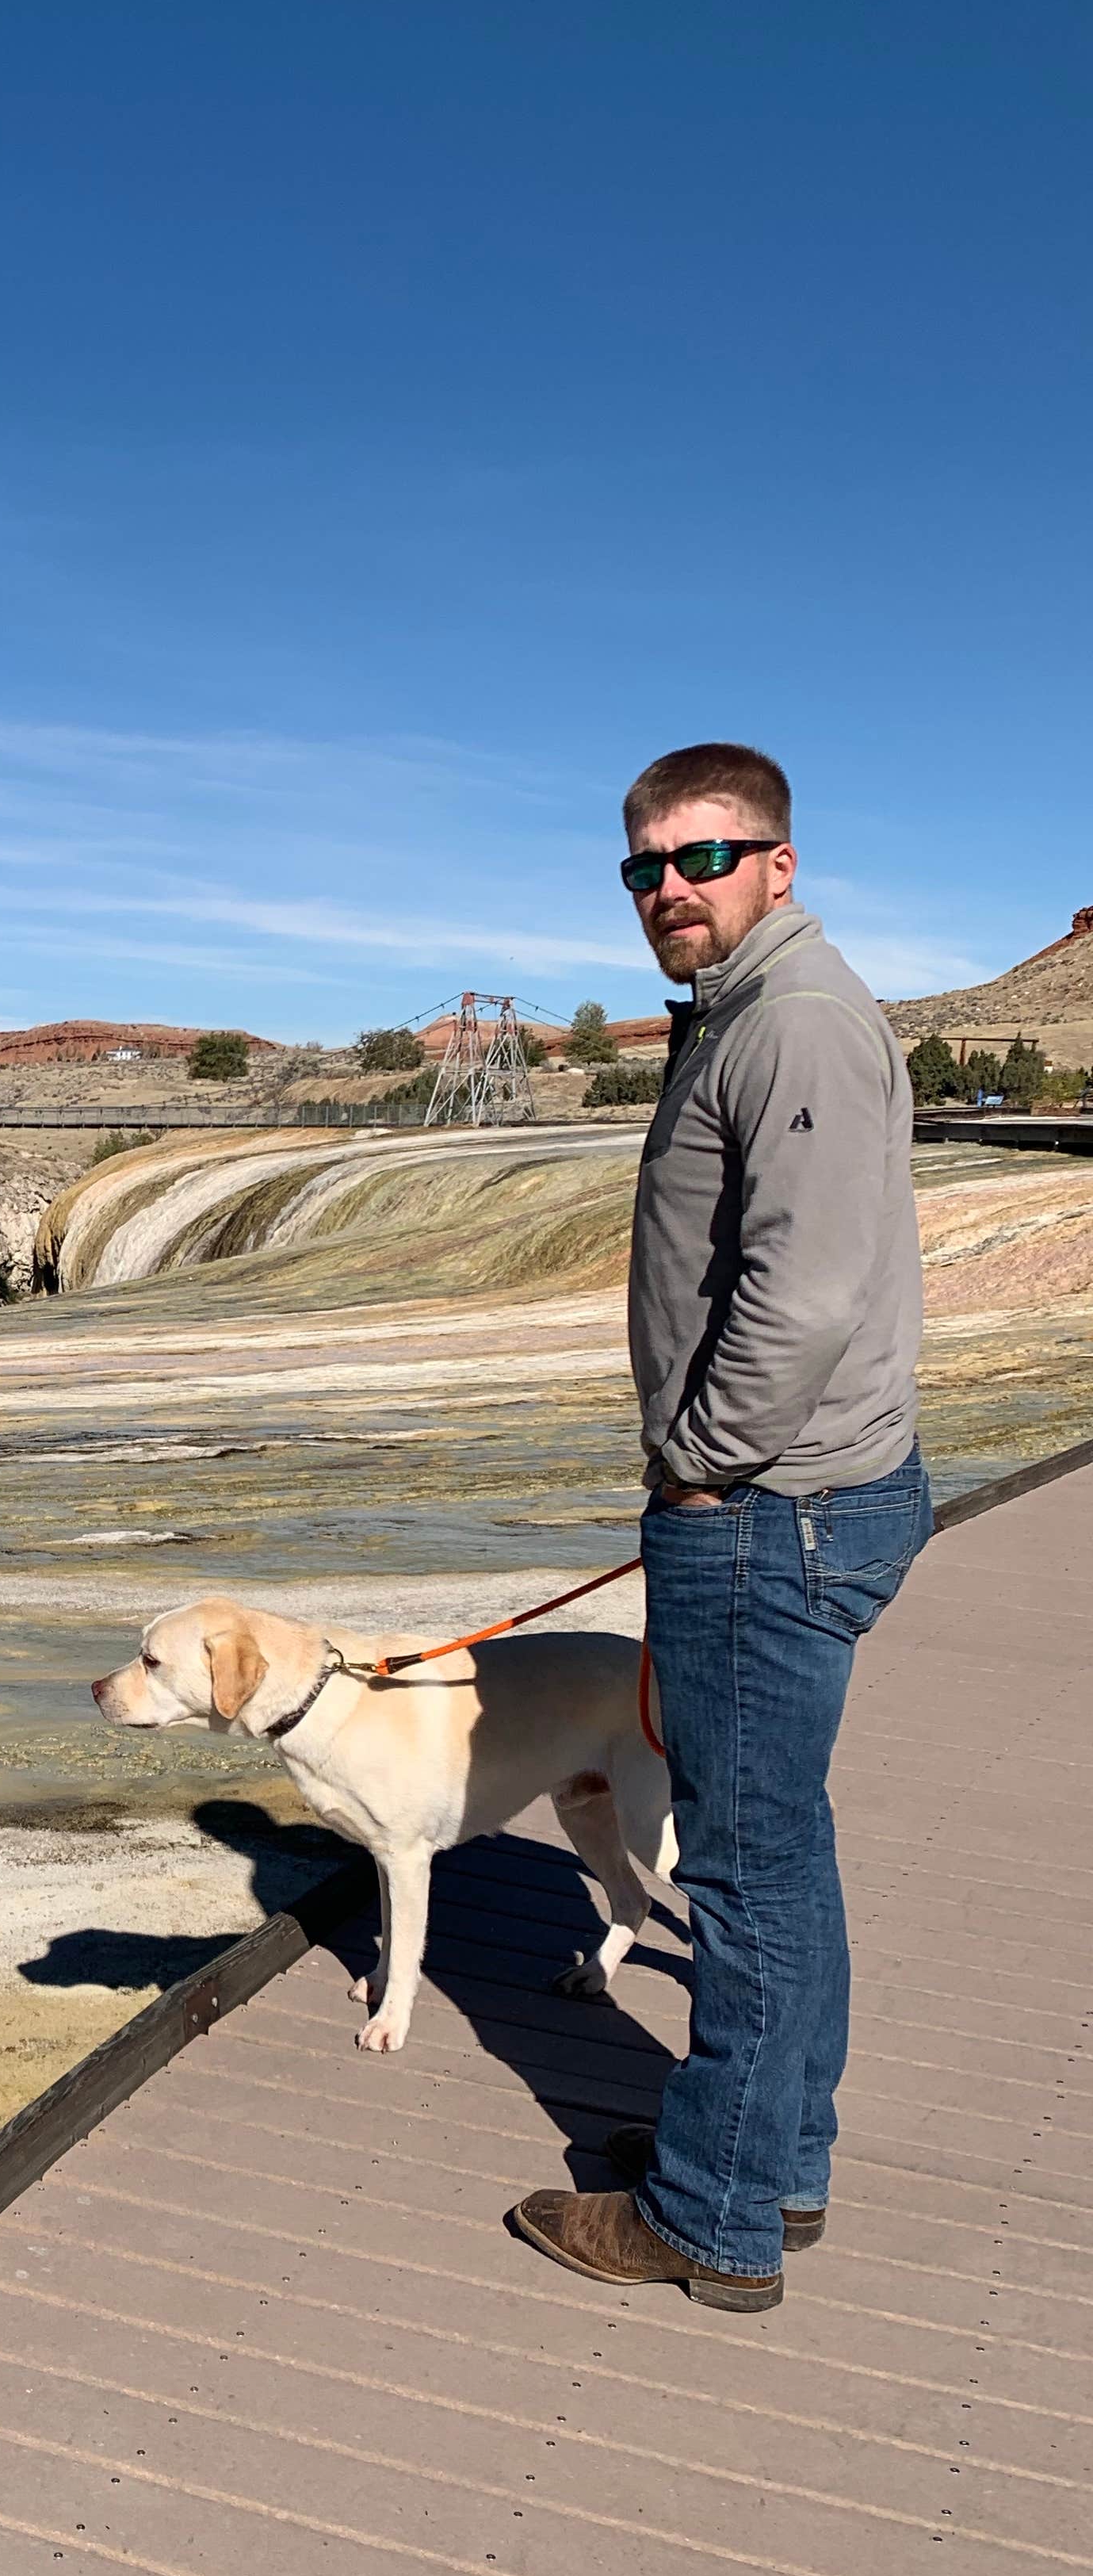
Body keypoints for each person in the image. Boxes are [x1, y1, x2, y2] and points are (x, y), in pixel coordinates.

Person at [508, 742, 930, 2313]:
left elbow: (803, 1292)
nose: (671, 891)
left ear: (779, 863)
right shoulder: (756, 1014)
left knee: (743, 1875)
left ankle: (710, 2219)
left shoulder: (797, 1024)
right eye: (645, 869)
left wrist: (699, 1465)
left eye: (703, 858)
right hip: (800, 1497)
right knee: (781, 1852)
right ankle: (769, 2154)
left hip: (768, 1510)